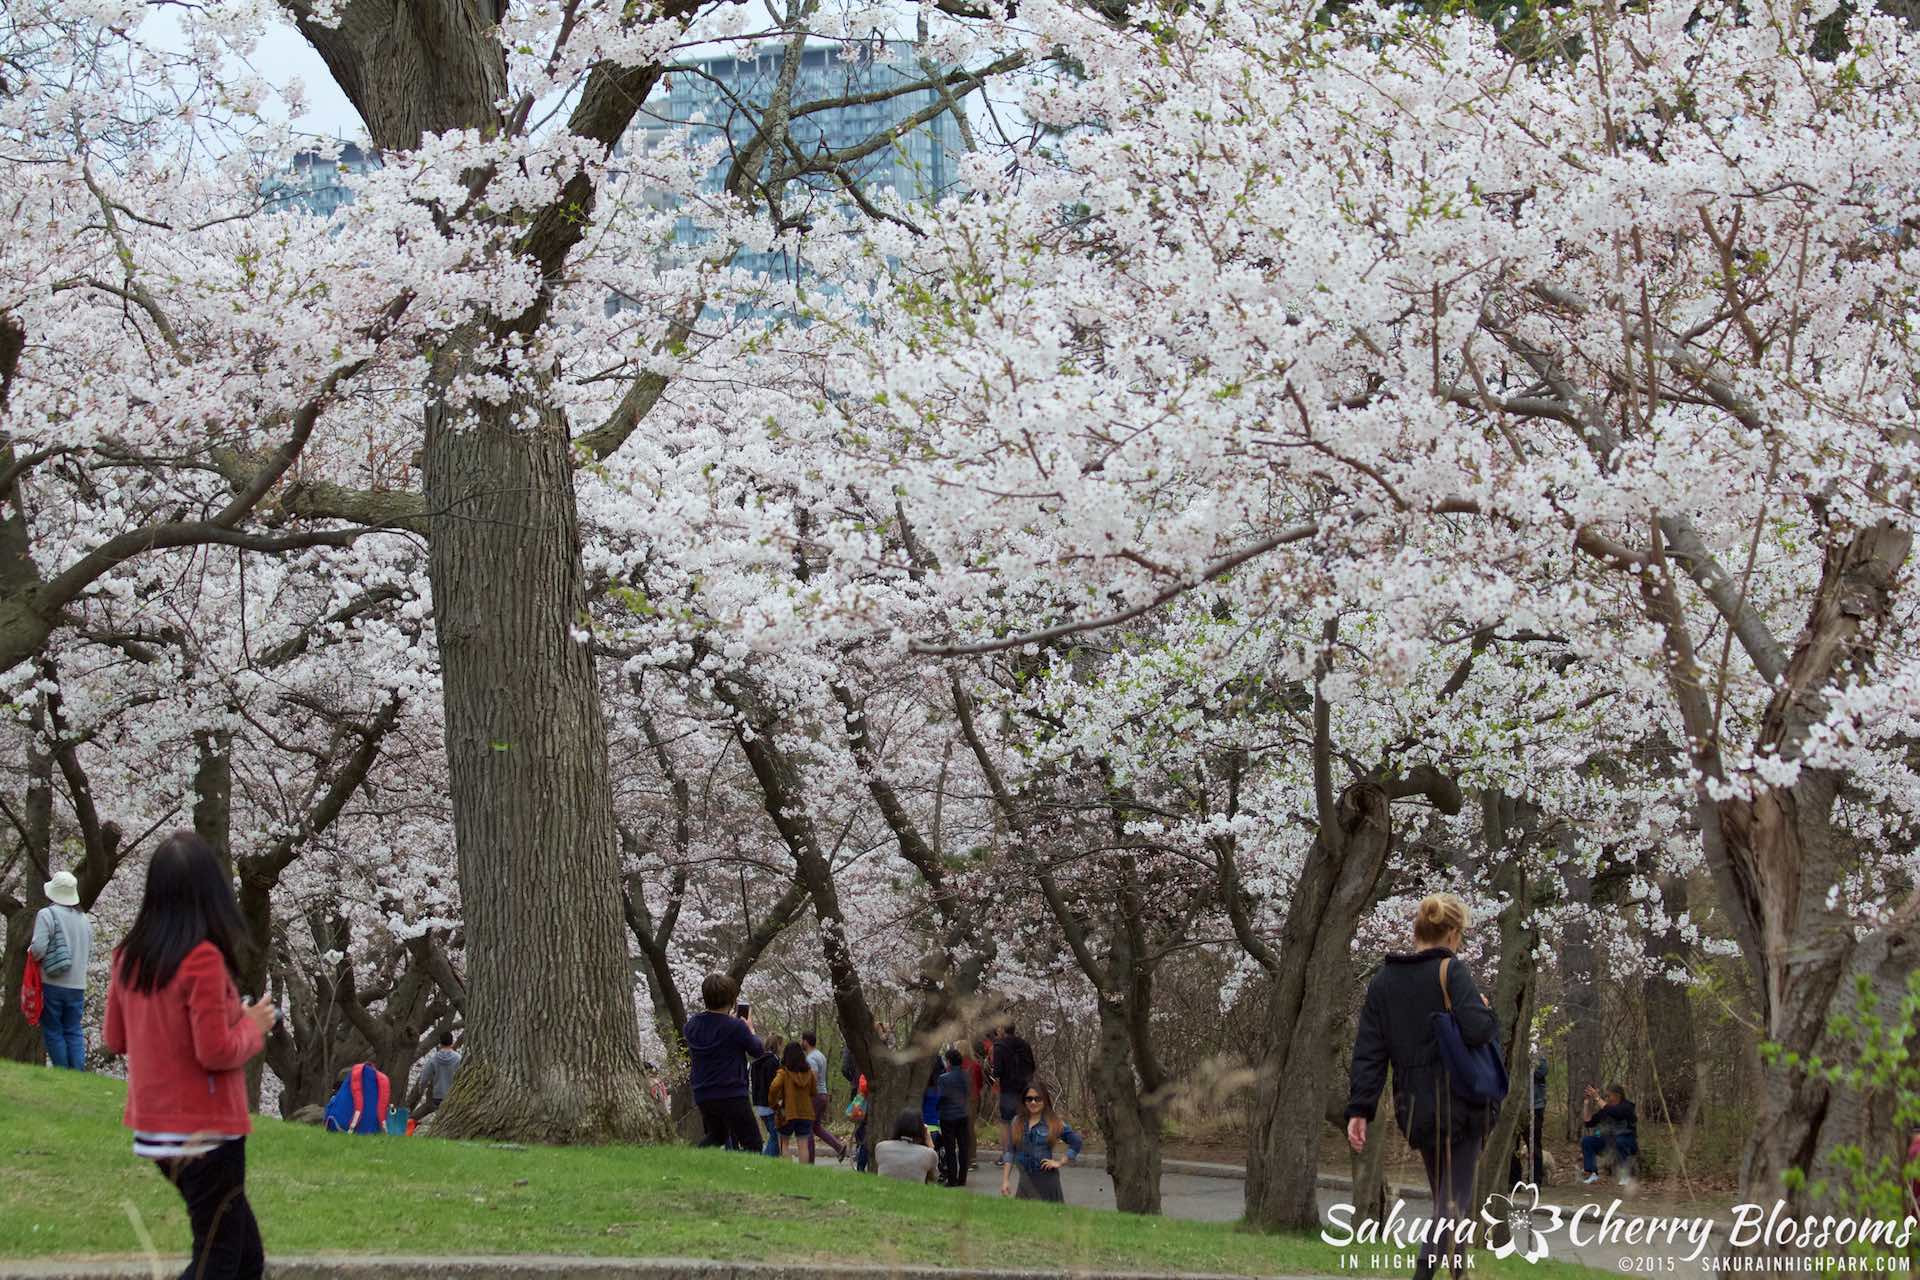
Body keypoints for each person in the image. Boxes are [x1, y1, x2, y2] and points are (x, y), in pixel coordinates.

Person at [102, 831, 275, 1280]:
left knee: (243, 1258)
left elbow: (115, 1038)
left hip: (156, 1131)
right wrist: (251, 1026)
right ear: (210, 893)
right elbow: (215, 1050)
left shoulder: (128, 958)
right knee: (218, 1259)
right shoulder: (201, 959)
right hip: (208, 1134)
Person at [1345, 892, 1499, 1280]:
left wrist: (1361, 1108)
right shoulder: (1451, 970)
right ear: (1451, 935)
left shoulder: (1384, 981)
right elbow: (1479, 1030)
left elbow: (1370, 1049)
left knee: (1445, 1197)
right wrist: (1482, 1006)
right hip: (1462, 1102)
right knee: (1453, 1201)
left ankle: (1459, 1274)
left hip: (1415, 1106)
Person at [682, 972, 764, 1151]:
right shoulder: (736, 1027)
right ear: (731, 1000)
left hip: (703, 1092)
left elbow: (714, 1030)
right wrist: (749, 1029)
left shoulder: (692, 1026)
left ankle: (693, 1157)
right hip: (731, 1091)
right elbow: (757, 1050)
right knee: (752, 1142)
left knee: (716, 1135)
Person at [29, 870, 93, 1070]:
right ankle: (77, 1073)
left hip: (53, 982)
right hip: (77, 985)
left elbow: (38, 949)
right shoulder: (84, 920)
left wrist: (31, 952)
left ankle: (62, 1071)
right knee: (73, 1030)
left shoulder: (47, 914)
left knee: (53, 1029)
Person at [999, 1077, 1082, 1202]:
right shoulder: (1017, 1122)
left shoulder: (1054, 1122)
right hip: (1025, 1181)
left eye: (1038, 1099)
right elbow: (1010, 1151)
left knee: (1049, 1220)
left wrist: (1060, 1162)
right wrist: (1005, 1180)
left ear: (1044, 1101)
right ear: (1024, 1101)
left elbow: (1076, 1141)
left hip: (1047, 1182)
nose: (1033, 1102)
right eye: (1029, 1099)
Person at [990, 1021, 1037, 1161]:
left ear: (1003, 1029)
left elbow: (998, 1071)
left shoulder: (999, 1046)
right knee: (1024, 1121)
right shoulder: (1024, 1045)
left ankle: (1007, 1154)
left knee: (1006, 1122)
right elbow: (1032, 1066)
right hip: (1025, 1089)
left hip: (1008, 1089)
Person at [801, 1030, 848, 1160]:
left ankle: (809, 1161)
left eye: (802, 1040)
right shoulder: (820, 1055)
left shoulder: (810, 1058)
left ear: (805, 1041)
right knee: (816, 1127)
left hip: (815, 1096)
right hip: (823, 1094)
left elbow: (813, 1077)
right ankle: (839, 1147)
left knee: (808, 1127)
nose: (801, 1043)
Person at [1580, 1084, 1639, 1185]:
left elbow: (1617, 1113)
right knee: (1587, 1141)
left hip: (1627, 1142)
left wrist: (1597, 1098)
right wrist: (1586, 1102)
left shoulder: (1627, 1106)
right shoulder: (1606, 1109)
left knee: (1620, 1140)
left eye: (1609, 1096)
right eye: (1606, 1096)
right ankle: (1593, 1174)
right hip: (1609, 1143)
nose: (1607, 1098)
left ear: (1617, 1095)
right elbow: (1588, 1122)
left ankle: (1626, 1176)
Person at [769, 1040, 817, 1162]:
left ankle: (789, 1171)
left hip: (788, 1112)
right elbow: (813, 1092)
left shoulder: (784, 1073)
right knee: (803, 1144)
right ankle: (803, 1173)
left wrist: (773, 1104)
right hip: (806, 1112)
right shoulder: (809, 1073)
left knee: (784, 1143)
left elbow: (774, 1086)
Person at [935, 1048, 972, 1187]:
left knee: (950, 1148)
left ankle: (952, 1179)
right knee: (963, 1147)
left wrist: (937, 1107)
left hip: (948, 1117)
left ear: (949, 1061)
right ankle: (963, 1178)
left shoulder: (944, 1078)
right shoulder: (966, 1076)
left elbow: (941, 1097)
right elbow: (968, 1093)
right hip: (963, 1114)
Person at [875, 1108, 939, 1183]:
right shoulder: (928, 1154)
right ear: (921, 1129)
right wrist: (931, 1146)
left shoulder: (881, 1147)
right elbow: (934, 1178)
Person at [750, 1033, 784, 1158]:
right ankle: (766, 1161)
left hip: (759, 1104)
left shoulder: (756, 1063)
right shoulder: (773, 1062)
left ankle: (767, 1159)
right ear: (777, 1046)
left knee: (773, 1134)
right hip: (770, 1104)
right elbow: (774, 1086)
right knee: (775, 1136)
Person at [413, 1032, 461, 1121]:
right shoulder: (458, 1058)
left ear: (440, 1043)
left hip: (438, 1095)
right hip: (454, 1093)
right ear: (452, 1042)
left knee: (441, 1118)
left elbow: (425, 1076)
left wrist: (421, 1088)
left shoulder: (434, 1059)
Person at [958, 1040, 985, 1171]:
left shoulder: (954, 1065)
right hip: (973, 1099)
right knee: (970, 1129)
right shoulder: (975, 1065)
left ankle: (964, 1158)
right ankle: (972, 1158)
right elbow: (980, 1083)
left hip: (959, 1099)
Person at [1531, 1056, 1549, 1185]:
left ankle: (1536, 1180)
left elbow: (1541, 1072)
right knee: (1512, 1145)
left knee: (1534, 1143)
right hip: (1515, 1105)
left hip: (1535, 1106)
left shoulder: (1539, 1057)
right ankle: (1513, 1181)